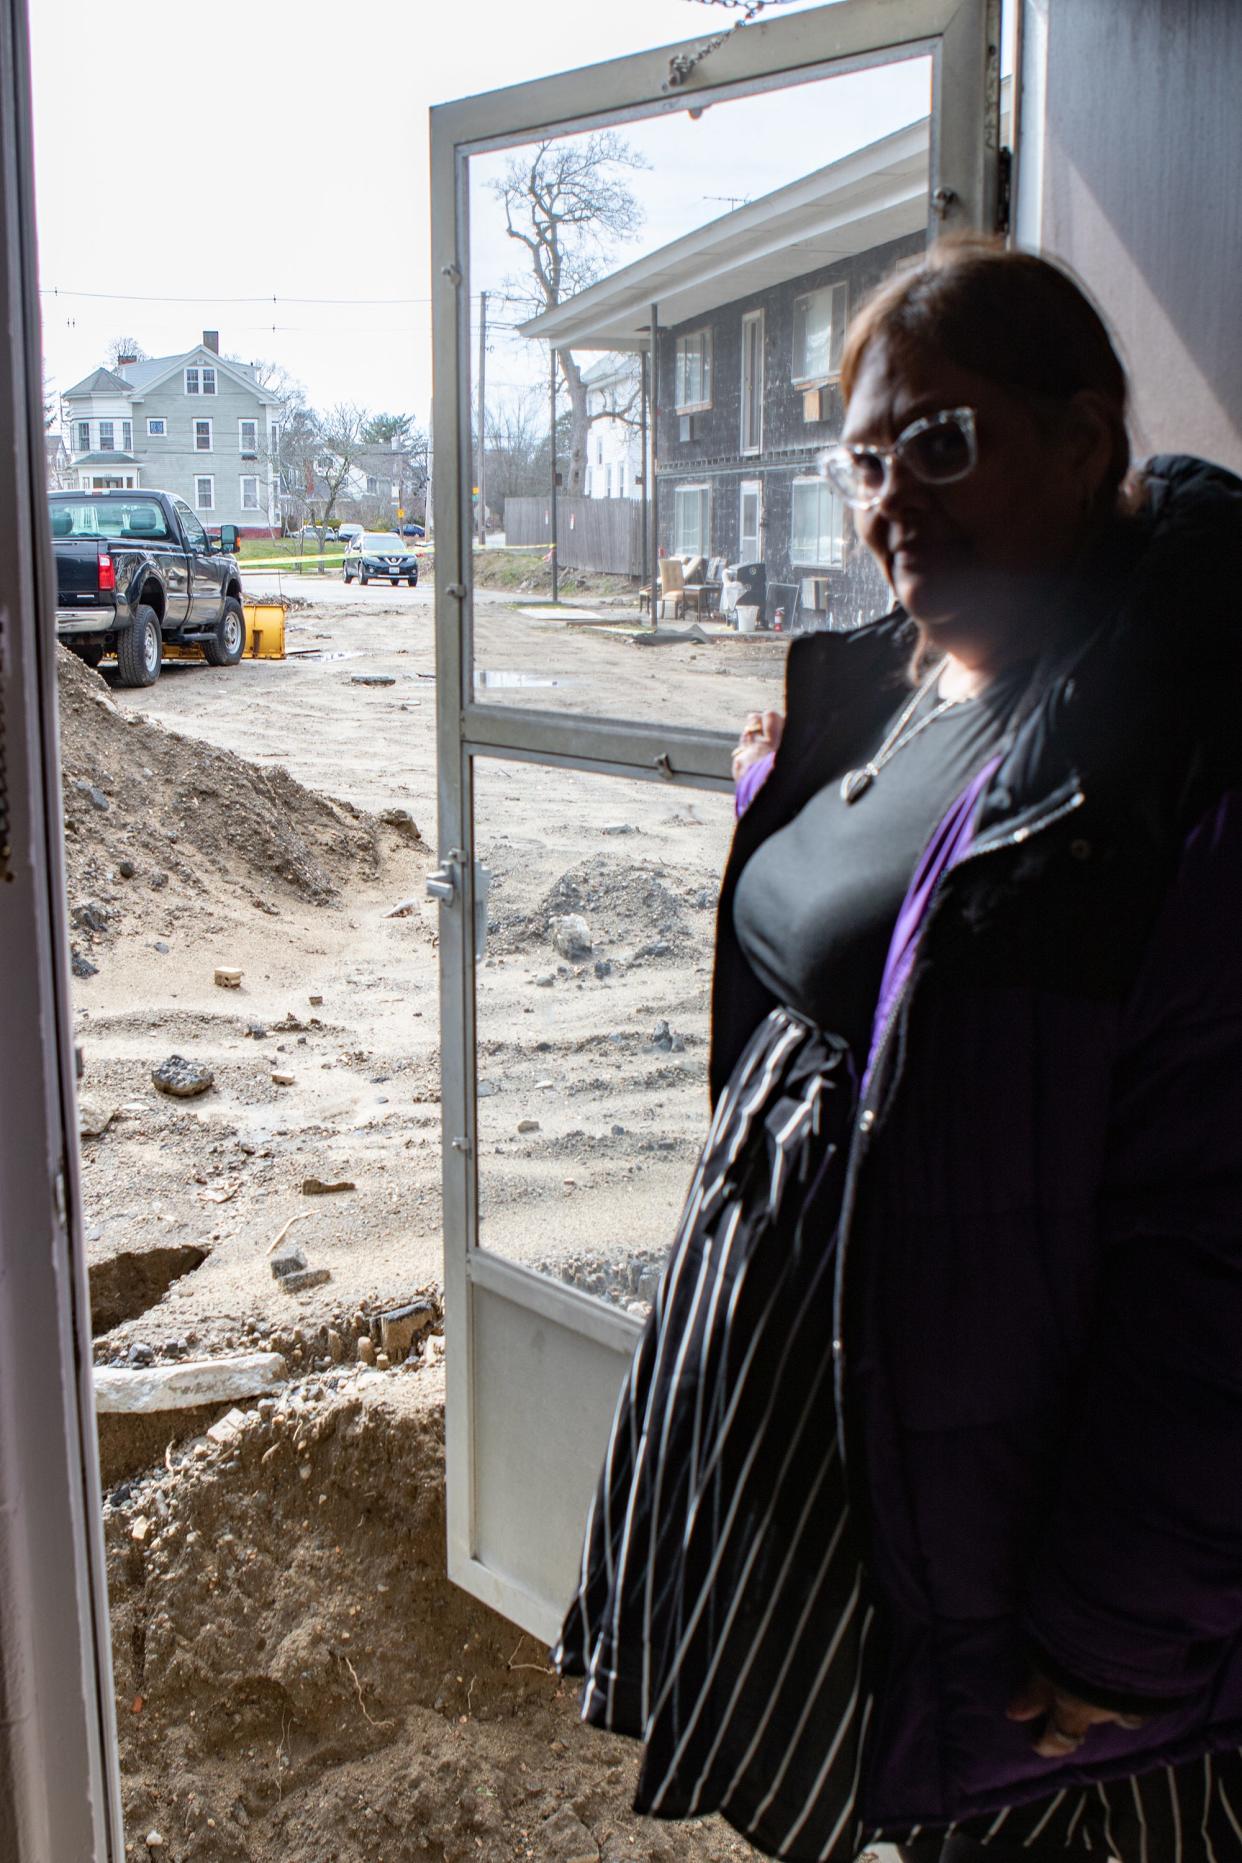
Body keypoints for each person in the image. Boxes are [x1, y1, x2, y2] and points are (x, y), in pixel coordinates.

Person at [554, 235, 1242, 1863]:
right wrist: (779, 808)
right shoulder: (929, 682)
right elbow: (883, 949)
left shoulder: (1160, 770)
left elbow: (1216, 1254)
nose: (887, 496)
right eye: (863, 458)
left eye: (941, 441)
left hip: (1045, 1563)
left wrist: (1118, 1630)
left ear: (1083, 438)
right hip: (884, 1462)